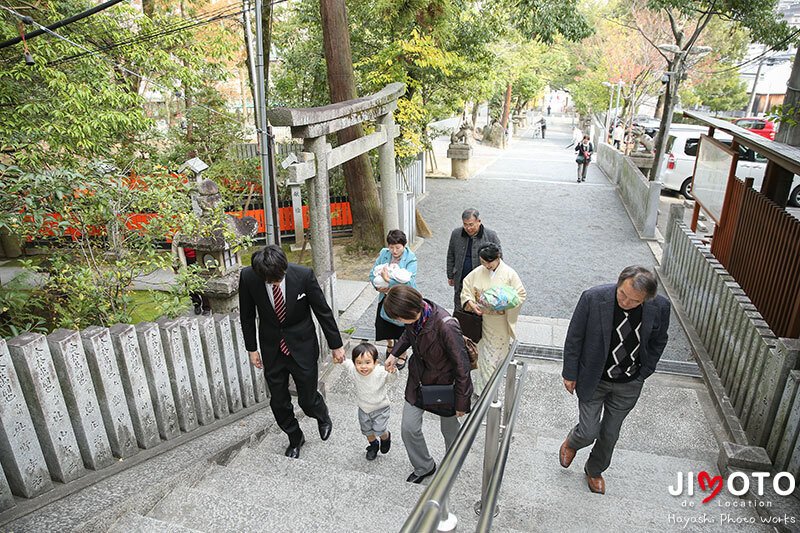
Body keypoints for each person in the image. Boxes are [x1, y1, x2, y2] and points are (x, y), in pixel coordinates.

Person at [559, 266, 670, 495]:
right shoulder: (593, 298)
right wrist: (570, 373)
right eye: (623, 294)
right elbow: (574, 337)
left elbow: (659, 341)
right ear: (619, 284)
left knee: (610, 433)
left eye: (634, 301)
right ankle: (573, 441)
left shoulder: (660, 307)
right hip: (594, 378)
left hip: (629, 382)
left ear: (647, 299)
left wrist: (645, 371)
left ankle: (595, 469)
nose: (626, 302)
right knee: (589, 431)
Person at [239, 245, 346, 459]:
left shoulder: (303, 275)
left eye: (278, 279)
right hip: (272, 348)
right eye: (270, 281)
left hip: (302, 345)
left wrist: (336, 345)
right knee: (278, 401)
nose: (275, 283)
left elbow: (323, 311)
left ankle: (321, 414)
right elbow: (247, 316)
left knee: (307, 399)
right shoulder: (249, 277)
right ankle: (295, 437)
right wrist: (252, 349)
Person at [383, 286, 473, 484]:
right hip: (418, 378)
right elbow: (408, 334)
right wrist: (394, 353)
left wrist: (462, 401)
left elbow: (462, 365)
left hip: (444, 383)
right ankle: (424, 466)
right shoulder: (417, 313)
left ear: (410, 311)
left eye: (399, 318)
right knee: (409, 427)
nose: (398, 322)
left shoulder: (446, 325)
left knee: (449, 430)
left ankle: (452, 463)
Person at [460, 243, 526, 396]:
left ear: (498, 258)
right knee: (483, 356)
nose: (486, 266)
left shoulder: (509, 274)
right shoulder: (477, 272)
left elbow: (521, 295)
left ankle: (490, 390)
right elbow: (466, 289)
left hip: (500, 323)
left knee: (495, 357)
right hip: (481, 321)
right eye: (482, 262)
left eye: (488, 262)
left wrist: (505, 301)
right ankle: (483, 390)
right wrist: (471, 303)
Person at [336, 342, 397, 460]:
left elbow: (391, 379)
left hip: (380, 408)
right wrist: (339, 359)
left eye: (368, 362)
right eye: (359, 363)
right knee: (366, 430)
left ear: (375, 362)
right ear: (355, 363)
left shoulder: (380, 372)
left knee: (379, 429)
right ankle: (373, 445)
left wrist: (393, 372)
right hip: (363, 408)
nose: (363, 366)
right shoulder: (354, 370)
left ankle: (386, 437)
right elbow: (346, 363)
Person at [369, 230, 417, 358]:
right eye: (391, 247)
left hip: (402, 298)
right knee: (384, 323)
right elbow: (372, 272)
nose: (394, 251)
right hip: (385, 297)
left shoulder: (411, 258)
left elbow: (409, 283)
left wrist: (388, 281)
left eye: (397, 247)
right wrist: (377, 287)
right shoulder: (384, 253)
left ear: (404, 245)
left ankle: (402, 352)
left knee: (401, 326)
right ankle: (390, 344)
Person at [446, 208, 501, 312]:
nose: (468, 228)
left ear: (479, 221)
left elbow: (499, 258)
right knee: (460, 304)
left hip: (483, 280)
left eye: (471, 224)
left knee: (481, 306)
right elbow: (450, 255)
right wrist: (450, 274)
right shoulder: (456, 234)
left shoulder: (490, 235)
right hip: (461, 277)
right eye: (465, 224)